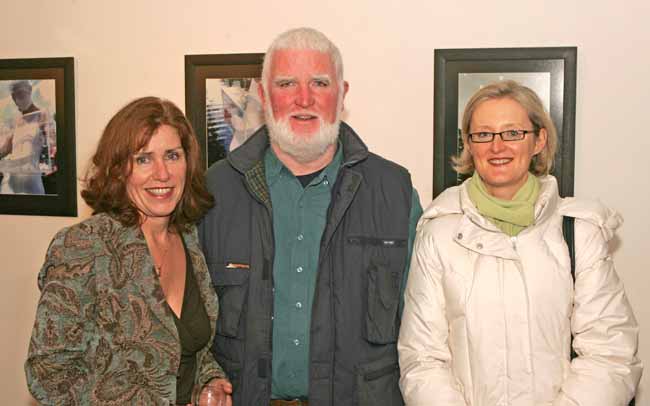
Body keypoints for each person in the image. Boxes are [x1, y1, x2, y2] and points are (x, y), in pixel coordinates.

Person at [198, 27, 422, 405]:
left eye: (319, 82)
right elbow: (186, 327)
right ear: (266, 96)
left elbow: (425, 332)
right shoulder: (214, 193)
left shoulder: (395, 192)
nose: (304, 98)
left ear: (342, 94)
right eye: (287, 84)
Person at [398, 80, 642, 405]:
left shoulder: (578, 233)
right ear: (470, 145)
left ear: (539, 140)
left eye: (513, 133)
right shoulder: (438, 233)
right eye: (483, 134)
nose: (497, 147)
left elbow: (610, 352)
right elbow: (422, 358)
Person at [25, 97, 232, 405]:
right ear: (118, 169)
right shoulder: (84, 246)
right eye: (144, 159)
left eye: (172, 156)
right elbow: (48, 373)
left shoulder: (189, 238)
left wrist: (208, 380)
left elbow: (185, 348)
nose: (162, 174)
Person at [0, 80, 54, 194]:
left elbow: (52, 146)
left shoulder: (42, 115)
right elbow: (5, 149)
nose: (17, 99)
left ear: (29, 91)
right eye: (14, 96)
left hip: (32, 184)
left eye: (20, 94)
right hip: (9, 185)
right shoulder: (15, 121)